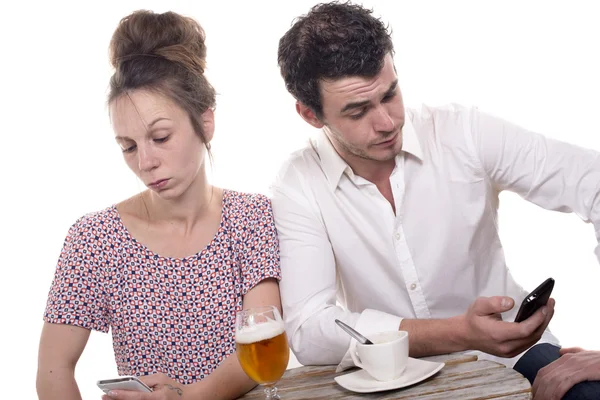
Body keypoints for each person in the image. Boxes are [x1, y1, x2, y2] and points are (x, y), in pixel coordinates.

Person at [273, 2, 600, 399]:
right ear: (311, 114)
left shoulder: (462, 132)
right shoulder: (298, 184)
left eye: (390, 94)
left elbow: (593, 181)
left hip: (516, 357)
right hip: (387, 379)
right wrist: (458, 332)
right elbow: (310, 330)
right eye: (358, 111)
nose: (387, 122)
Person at [36, 10, 281, 400]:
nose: (144, 162)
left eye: (161, 137)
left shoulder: (251, 217)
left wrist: (185, 399)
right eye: (128, 147)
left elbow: (256, 351)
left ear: (206, 121)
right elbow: (54, 368)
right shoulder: (94, 239)